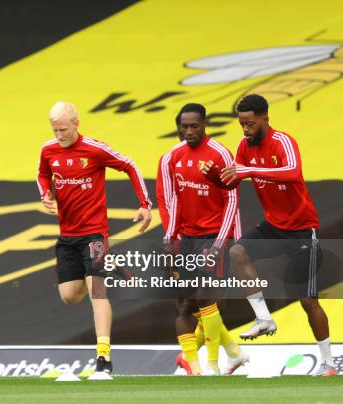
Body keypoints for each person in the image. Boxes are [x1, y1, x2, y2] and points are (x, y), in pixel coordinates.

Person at [211, 93, 337, 377]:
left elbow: (293, 172)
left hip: (302, 231)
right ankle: (264, 318)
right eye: (241, 123)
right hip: (273, 226)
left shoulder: (283, 142)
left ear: (265, 119)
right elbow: (232, 183)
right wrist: (214, 177)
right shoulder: (244, 146)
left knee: (307, 300)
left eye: (250, 123)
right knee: (237, 251)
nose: (245, 129)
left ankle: (329, 363)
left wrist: (251, 169)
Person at [37, 101, 152, 374]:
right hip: (67, 236)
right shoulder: (48, 150)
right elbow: (42, 175)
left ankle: (103, 359)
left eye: (63, 129)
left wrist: (145, 204)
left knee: (95, 292)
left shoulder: (95, 149)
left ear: (76, 124)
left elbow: (130, 165)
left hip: (94, 233)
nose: (59, 135)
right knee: (69, 295)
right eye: (55, 130)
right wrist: (45, 193)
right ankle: (110, 265)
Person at [158, 112, 248, 376]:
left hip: (212, 237)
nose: (188, 131)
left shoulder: (220, 153)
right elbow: (175, 202)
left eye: (194, 126)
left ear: (204, 125)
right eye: (184, 126)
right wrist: (169, 240)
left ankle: (214, 365)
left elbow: (232, 201)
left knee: (207, 301)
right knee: (185, 303)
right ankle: (200, 365)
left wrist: (220, 244)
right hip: (186, 238)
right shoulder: (174, 156)